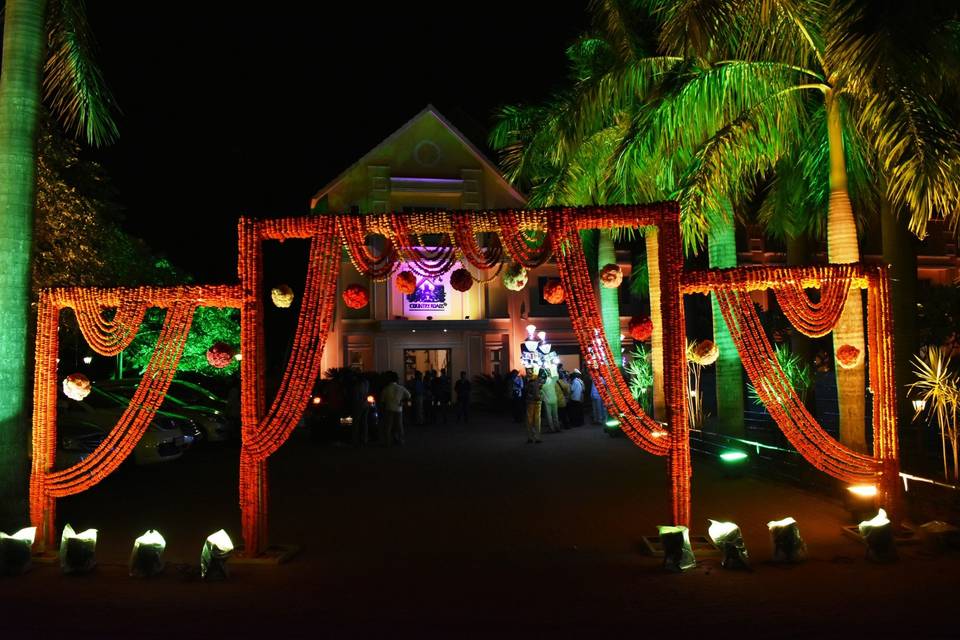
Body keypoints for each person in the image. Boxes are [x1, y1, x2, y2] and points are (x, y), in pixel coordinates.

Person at [380, 371, 411, 446]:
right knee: (399, 425)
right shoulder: (401, 388)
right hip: (398, 409)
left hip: (388, 408)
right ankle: (400, 440)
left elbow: (382, 400)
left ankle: (387, 442)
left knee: (388, 426)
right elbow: (409, 395)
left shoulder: (386, 388)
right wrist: (402, 401)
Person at [524, 368, 545, 443]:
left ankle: (530, 437)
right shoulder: (540, 380)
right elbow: (541, 389)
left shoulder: (528, 380)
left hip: (530, 402)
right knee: (537, 420)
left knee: (529, 420)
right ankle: (537, 437)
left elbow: (526, 390)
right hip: (538, 401)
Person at [349, 372, 371, 447]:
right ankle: (364, 439)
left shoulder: (357, 385)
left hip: (358, 405)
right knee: (364, 422)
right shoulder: (366, 383)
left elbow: (356, 395)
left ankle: (355, 439)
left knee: (356, 423)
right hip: (365, 404)